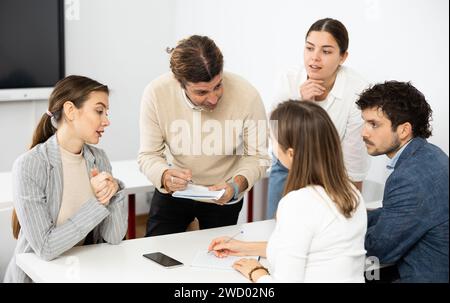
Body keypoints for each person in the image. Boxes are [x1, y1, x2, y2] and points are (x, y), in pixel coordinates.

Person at [208, 101, 367, 283]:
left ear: (291, 154)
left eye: (273, 140)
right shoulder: (352, 194)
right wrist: (243, 247)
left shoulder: (298, 202)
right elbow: (315, 251)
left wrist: (257, 273)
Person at [138, 35, 269, 237]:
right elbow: (148, 155)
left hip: (224, 193)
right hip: (174, 191)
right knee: (155, 253)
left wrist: (236, 185)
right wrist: (164, 176)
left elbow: (258, 157)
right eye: (201, 92)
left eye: (218, 86)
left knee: (219, 259)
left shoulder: (247, 95)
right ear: (179, 83)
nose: (213, 99)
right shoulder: (156, 93)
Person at [4, 75, 127, 283]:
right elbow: (46, 247)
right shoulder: (30, 165)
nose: (106, 121)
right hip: (37, 277)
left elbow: (114, 238)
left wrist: (114, 191)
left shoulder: (99, 159)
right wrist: (97, 203)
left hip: (82, 272)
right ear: (70, 111)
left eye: (106, 112)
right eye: (99, 111)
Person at [267, 18, 369, 219]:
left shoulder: (357, 90)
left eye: (326, 51)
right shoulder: (287, 80)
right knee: (278, 227)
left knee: (328, 227)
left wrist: (352, 210)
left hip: (332, 169)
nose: (314, 58)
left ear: (343, 57)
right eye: (309, 48)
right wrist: (302, 105)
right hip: (289, 163)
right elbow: (275, 135)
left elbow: (354, 159)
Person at [357, 81, 449, 283]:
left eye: (374, 124)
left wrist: (337, 231)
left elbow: (379, 250)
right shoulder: (432, 155)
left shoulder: (408, 178)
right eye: (364, 122)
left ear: (404, 130)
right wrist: (356, 216)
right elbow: (395, 211)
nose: (364, 133)